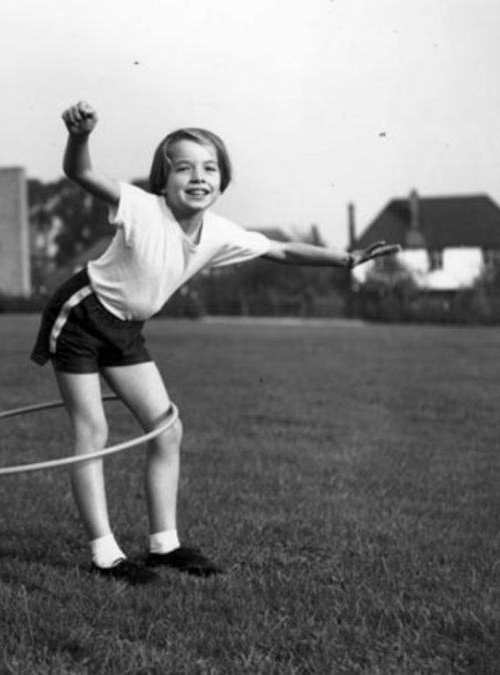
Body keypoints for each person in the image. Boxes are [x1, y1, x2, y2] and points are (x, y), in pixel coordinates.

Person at [31, 101, 398, 585]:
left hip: (126, 330)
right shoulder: (141, 206)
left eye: (210, 168)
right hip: (81, 316)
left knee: (166, 428)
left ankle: (165, 545)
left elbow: (282, 250)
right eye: (183, 167)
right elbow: (78, 171)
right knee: (92, 432)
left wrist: (345, 258)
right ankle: (104, 554)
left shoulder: (220, 233)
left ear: (223, 182)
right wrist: (81, 135)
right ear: (163, 179)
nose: (198, 176)